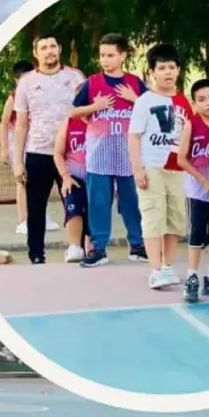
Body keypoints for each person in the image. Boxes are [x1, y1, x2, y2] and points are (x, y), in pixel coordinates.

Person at [69, 32, 148, 266]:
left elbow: (153, 112)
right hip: (99, 155)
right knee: (99, 203)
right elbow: (73, 112)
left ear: (123, 55)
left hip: (128, 156)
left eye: (111, 55)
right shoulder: (91, 83)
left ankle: (137, 245)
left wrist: (135, 100)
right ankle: (98, 248)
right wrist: (96, 106)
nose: (105, 60)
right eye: (102, 55)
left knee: (132, 202)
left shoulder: (135, 83)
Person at [13, 34, 86, 263]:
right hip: (38, 152)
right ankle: (36, 255)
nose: (49, 51)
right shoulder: (26, 82)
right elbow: (21, 124)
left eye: (53, 46)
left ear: (60, 48)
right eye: (43, 48)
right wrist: (18, 161)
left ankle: (80, 249)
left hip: (72, 153)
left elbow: (86, 113)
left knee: (77, 204)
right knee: (35, 209)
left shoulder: (75, 77)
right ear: (36, 53)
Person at [128, 43, 193, 289]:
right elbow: (134, 136)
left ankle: (168, 266)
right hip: (152, 166)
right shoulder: (145, 101)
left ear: (179, 70)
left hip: (177, 168)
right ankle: (155, 269)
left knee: (175, 218)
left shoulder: (183, 102)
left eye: (172, 67)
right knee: (153, 216)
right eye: (162, 68)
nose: (167, 72)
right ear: (152, 72)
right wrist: (138, 168)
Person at [176, 78, 209, 302]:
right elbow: (181, 159)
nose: (208, 103)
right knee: (197, 236)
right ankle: (192, 278)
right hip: (198, 193)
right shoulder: (191, 124)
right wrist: (203, 180)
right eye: (201, 100)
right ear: (194, 103)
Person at [0, 60, 40, 234]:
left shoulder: (39, 94)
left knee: (40, 182)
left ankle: (39, 217)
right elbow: (4, 122)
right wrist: (3, 149)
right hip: (19, 142)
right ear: (16, 81)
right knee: (23, 182)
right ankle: (23, 220)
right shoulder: (13, 97)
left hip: (37, 141)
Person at [53, 114, 94, 263]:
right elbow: (58, 153)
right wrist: (65, 176)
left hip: (96, 176)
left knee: (95, 210)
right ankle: (75, 246)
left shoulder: (102, 120)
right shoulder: (70, 122)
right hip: (73, 176)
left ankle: (92, 246)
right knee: (74, 208)